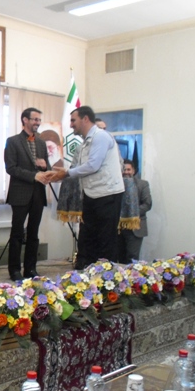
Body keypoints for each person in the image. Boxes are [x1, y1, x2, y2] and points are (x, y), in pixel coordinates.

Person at [48, 106, 124, 269]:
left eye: (73, 120)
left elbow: (92, 166)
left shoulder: (100, 136)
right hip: (91, 195)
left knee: (105, 240)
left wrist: (67, 173)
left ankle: (106, 277)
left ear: (85, 119)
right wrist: (61, 173)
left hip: (107, 195)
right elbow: (79, 167)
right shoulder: (84, 143)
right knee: (87, 238)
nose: (71, 124)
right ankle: (86, 274)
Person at [4, 107, 50, 281]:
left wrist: (45, 167)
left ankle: (30, 269)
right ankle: (14, 270)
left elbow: (47, 167)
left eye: (39, 120)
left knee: (34, 233)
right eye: (35, 119)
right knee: (17, 234)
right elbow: (11, 168)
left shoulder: (42, 143)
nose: (38, 123)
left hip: (38, 194)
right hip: (20, 194)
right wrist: (33, 175)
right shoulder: (12, 141)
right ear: (25, 120)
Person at [118, 159, 152, 263]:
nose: (126, 172)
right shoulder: (116, 185)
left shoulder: (143, 184)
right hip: (118, 227)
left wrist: (130, 214)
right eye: (124, 170)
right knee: (118, 258)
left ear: (133, 171)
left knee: (132, 259)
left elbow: (147, 204)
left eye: (128, 169)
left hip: (136, 228)